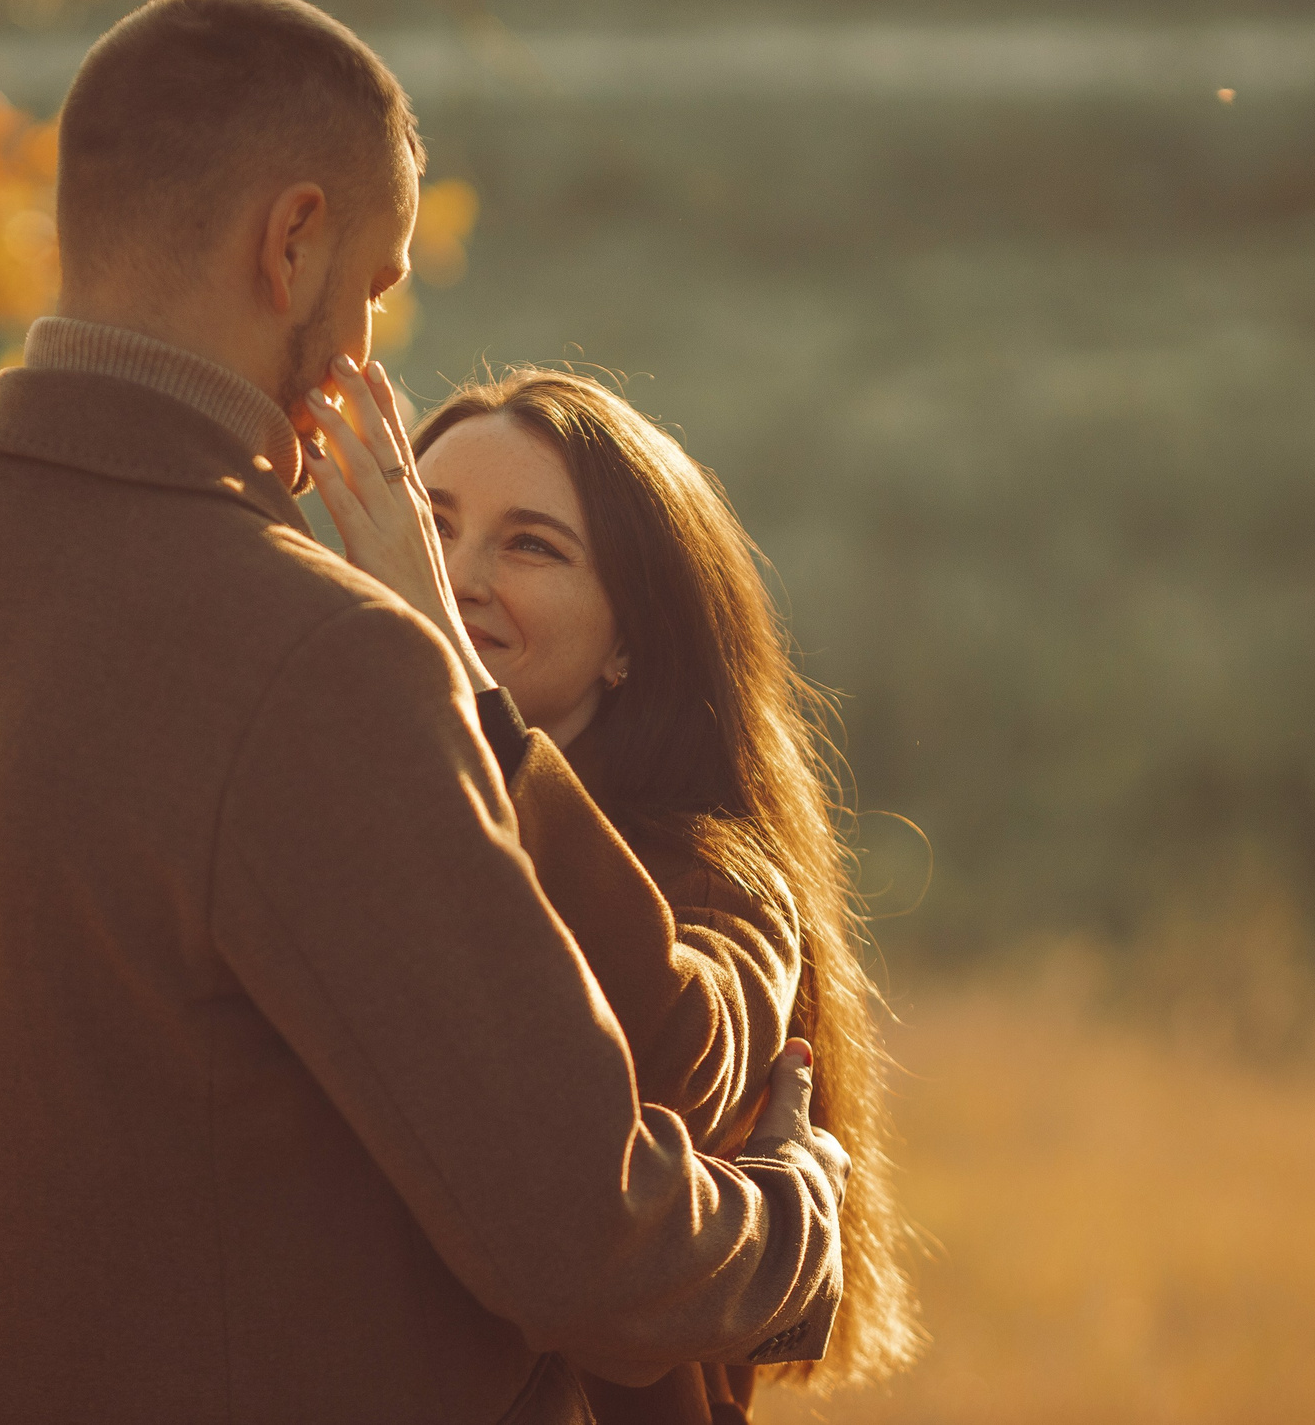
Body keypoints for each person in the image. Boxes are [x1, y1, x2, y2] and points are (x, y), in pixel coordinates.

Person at [0, 0, 850, 1425]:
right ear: (293, 241)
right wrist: (797, 1216)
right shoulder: (316, 662)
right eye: (381, 279)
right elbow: (586, 1239)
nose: (368, 335)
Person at [307, 370, 923, 1423]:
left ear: (633, 639)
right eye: (426, 524)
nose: (451, 575)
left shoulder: (714, 871)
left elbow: (675, 1053)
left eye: (530, 544)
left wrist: (461, 695)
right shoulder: (344, 828)